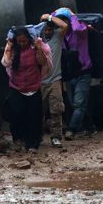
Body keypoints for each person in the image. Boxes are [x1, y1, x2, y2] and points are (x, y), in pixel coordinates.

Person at [1, 27, 52, 152]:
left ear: (29, 40)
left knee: (34, 117)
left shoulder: (35, 49)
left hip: (33, 88)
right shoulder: (13, 50)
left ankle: (33, 144)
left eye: (24, 41)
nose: (22, 44)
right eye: (19, 41)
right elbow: (6, 63)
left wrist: (38, 47)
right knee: (17, 114)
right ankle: (18, 139)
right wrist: (9, 46)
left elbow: (43, 62)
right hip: (16, 87)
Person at [51, 8, 93, 141]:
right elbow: (48, 20)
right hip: (70, 74)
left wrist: (72, 15)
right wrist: (55, 14)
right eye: (60, 21)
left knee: (79, 103)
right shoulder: (58, 36)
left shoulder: (81, 30)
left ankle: (71, 130)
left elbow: (77, 29)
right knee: (74, 104)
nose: (62, 23)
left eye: (65, 20)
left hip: (83, 72)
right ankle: (90, 127)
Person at [39, 15, 67, 148]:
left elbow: (65, 26)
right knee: (39, 110)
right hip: (40, 81)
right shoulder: (38, 40)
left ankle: (56, 136)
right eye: (46, 29)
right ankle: (37, 136)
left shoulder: (57, 36)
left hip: (55, 79)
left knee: (56, 110)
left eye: (50, 29)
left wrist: (50, 16)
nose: (48, 32)